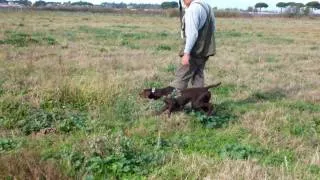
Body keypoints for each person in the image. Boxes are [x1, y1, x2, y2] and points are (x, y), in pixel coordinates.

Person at [170, 0, 216, 91]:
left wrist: (186, 53)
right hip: (204, 50)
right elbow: (213, 27)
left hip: (194, 51)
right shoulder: (207, 6)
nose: (182, 1)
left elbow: (192, 34)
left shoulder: (193, 9)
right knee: (198, 76)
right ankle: (198, 103)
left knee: (181, 76)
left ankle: (173, 101)